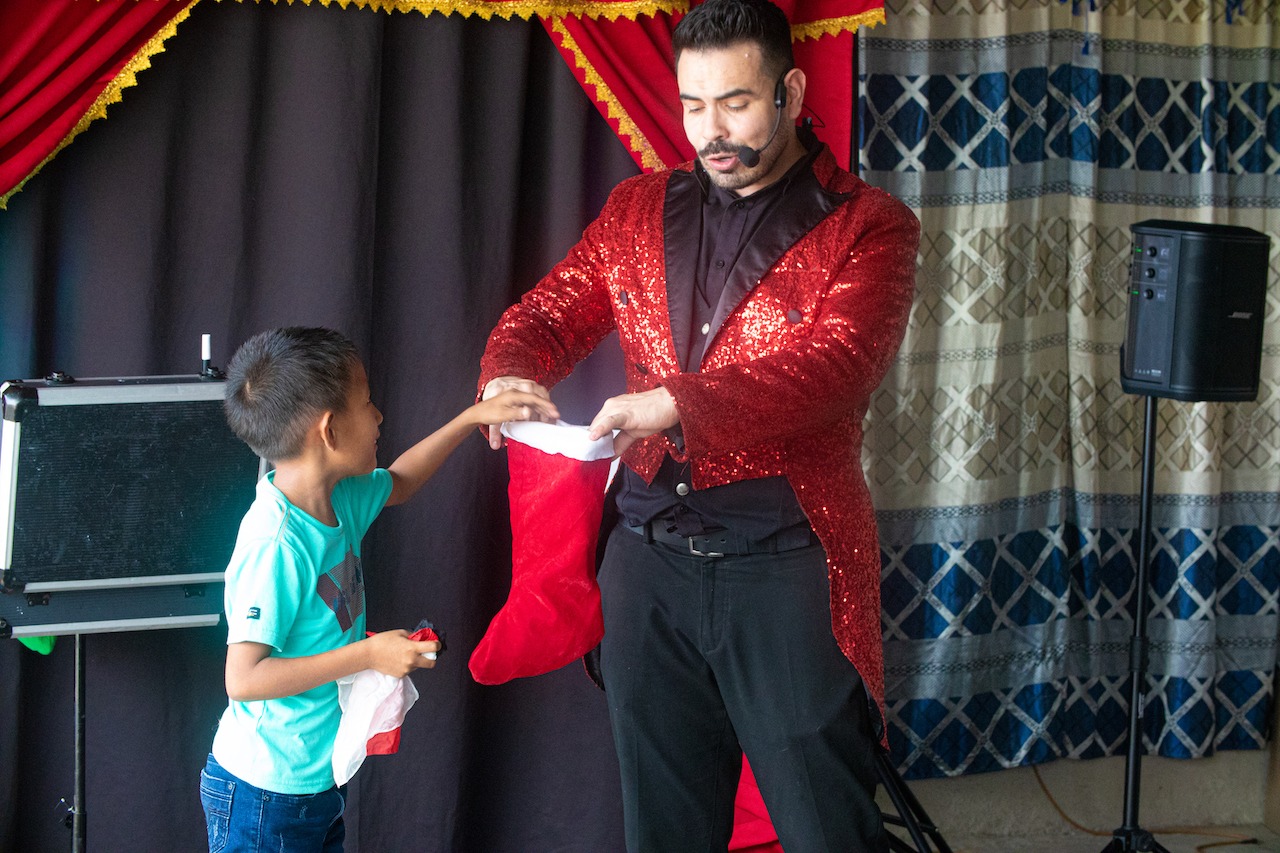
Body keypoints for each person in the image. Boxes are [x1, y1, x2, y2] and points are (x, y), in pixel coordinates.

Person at [478, 0, 920, 850]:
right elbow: (553, 311)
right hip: (648, 569)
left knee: (828, 828)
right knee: (665, 829)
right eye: (692, 105)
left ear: (790, 91)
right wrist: (510, 367)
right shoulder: (638, 207)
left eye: (736, 104)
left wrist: (678, 402)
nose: (711, 131)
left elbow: (836, 369)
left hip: (790, 569)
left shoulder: (869, 226)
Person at [200, 326, 556, 853]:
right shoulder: (276, 544)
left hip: (313, 783)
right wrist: (369, 653)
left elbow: (402, 481)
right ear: (329, 430)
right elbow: (245, 679)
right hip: (262, 795)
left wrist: (472, 417)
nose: (379, 416)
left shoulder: (339, 498)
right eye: (367, 403)